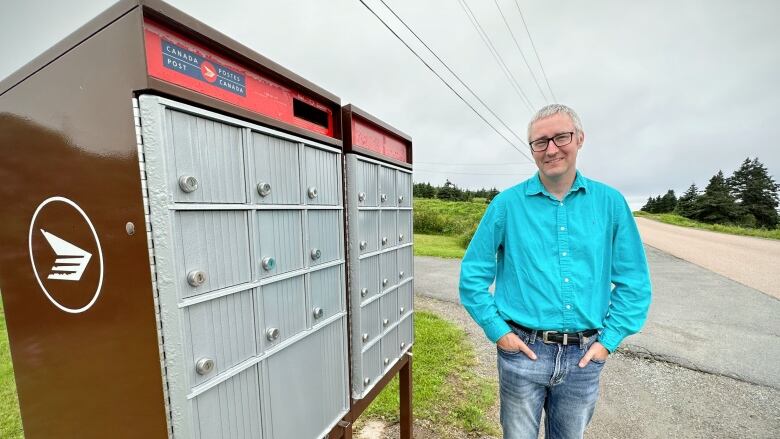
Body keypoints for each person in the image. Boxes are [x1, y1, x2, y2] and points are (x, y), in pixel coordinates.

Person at [459, 104, 652, 439]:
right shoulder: (506, 205)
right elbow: (473, 275)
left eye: (561, 137)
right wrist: (498, 331)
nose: (551, 149)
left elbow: (633, 282)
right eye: (540, 142)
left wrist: (607, 342)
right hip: (522, 352)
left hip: (583, 357)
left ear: (579, 138)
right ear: (532, 149)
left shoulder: (611, 204)